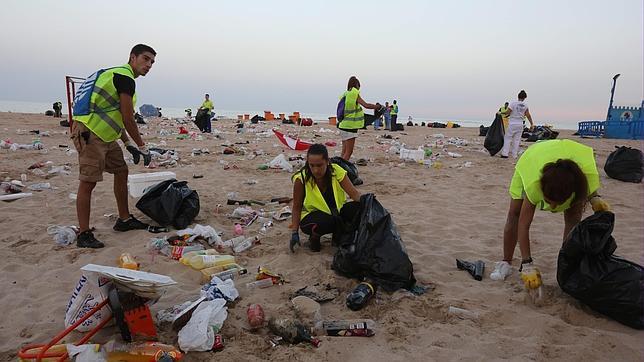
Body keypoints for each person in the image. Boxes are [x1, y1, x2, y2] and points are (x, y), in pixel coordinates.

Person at [71, 44, 156, 248]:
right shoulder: (124, 77)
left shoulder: (117, 76)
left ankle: (124, 220)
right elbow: (127, 117)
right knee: (88, 182)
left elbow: (114, 114)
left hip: (106, 136)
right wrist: (142, 146)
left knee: (121, 170)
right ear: (132, 57)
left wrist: (127, 143)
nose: (149, 65)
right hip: (90, 134)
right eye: (145, 59)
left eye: (152, 62)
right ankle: (83, 234)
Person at [490, 139, 610, 282]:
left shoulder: (582, 182)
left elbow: (588, 189)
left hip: (571, 155)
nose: (552, 209)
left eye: (557, 204)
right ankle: (506, 262)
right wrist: (527, 263)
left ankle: (568, 265)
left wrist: (594, 198)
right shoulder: (534, 185)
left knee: (573, 216)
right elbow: (523, 225)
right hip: (533, 158)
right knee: (514, 213)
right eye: (548, 202)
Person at [290, 144, 362, 252]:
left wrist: (368, 204)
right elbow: (296, 207)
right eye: (312, 165)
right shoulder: (301, 179)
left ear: (327, 161)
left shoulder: (336, 171)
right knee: (325, 222)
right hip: (312, 217)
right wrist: (295, 232)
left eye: (319, 165)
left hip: (336, 213)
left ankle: (338, 236)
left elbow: (354, 194)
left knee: (358, 209)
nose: (315, 170)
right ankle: (314, 238)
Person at [338, 76, 380, 161]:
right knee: (349, 152)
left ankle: (339, 168)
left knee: (344, 151)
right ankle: (342, 170)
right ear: (356, 85)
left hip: (342, 125)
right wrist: (377, 107)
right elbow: (366, 105)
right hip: (350, 127)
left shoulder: (345, 94)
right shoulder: (354, 93)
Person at [500, 90, 534, 159]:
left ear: (518, 96)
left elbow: (508, 112)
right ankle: (514, 155)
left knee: (508, 138)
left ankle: (505, 154)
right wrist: (532, 124)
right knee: (517, 140)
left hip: (513, 123)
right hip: (520, 124)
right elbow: (528, 115)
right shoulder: (525, 105)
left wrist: (501, 113)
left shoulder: (513, 103)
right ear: (524, 98)